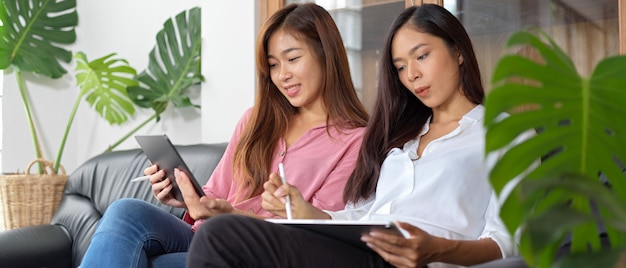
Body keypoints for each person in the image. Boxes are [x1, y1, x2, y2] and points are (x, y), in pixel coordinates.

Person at [186, 4, 525, 268]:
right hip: (361, 248)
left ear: (459, 51)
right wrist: (305, 210)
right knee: (220, 234)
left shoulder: (504, 133)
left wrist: (437, 249)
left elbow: (509, 240)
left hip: (414, 260)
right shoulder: (400, 139)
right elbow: (358, 216)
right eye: (401, 67)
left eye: (422, 56)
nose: (413, 75)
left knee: (222, 233)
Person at [79, 3, 368, 268]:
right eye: (273, 65)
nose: (282, 75)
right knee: (125, 211)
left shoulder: (356, 141)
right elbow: (217, 192)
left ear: (325, 54)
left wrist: (230, 216)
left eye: (292, 59)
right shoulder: (255, 120)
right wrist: (187, 197)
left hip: (258, 252)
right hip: (206, 235)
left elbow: (318, 233)